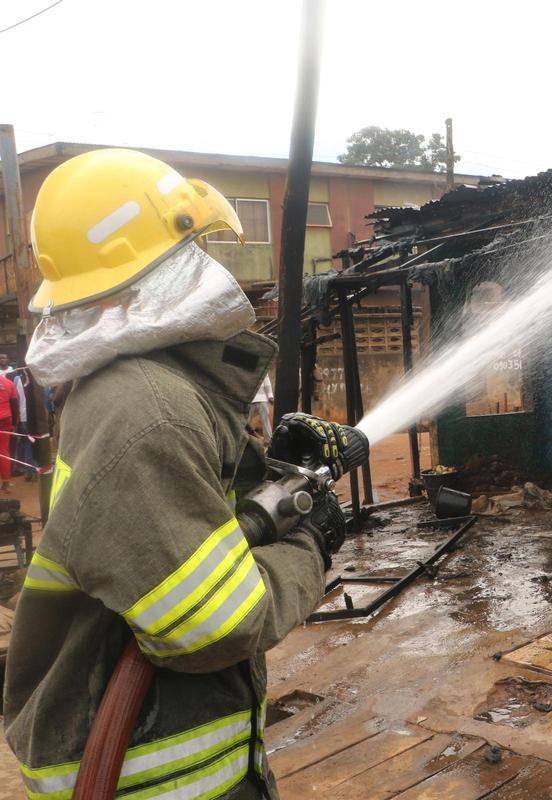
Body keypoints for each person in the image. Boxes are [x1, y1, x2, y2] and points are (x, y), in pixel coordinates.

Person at [3, 148, 348, 800]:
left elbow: (186, 518)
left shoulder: (148, 388)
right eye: (192, 246)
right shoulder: (141, 408)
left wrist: (281, 472)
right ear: (152, 272)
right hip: (150, 778)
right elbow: (211, 625)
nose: (212, 266)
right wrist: (311, 541)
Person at [0, 370, 17, 491]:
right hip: (6, 419)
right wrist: (15, 423)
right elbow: (14, 404)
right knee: (4, 451)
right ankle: (6, 483)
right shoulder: (9, 383)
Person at [249, 373, 273, 443]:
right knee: (245, 421)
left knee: (265, 420)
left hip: (262, 399)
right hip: (251, 400)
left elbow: (267, 383)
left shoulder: (263, 370)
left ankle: (269, 441)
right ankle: (243, 438)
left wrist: (270, 396)